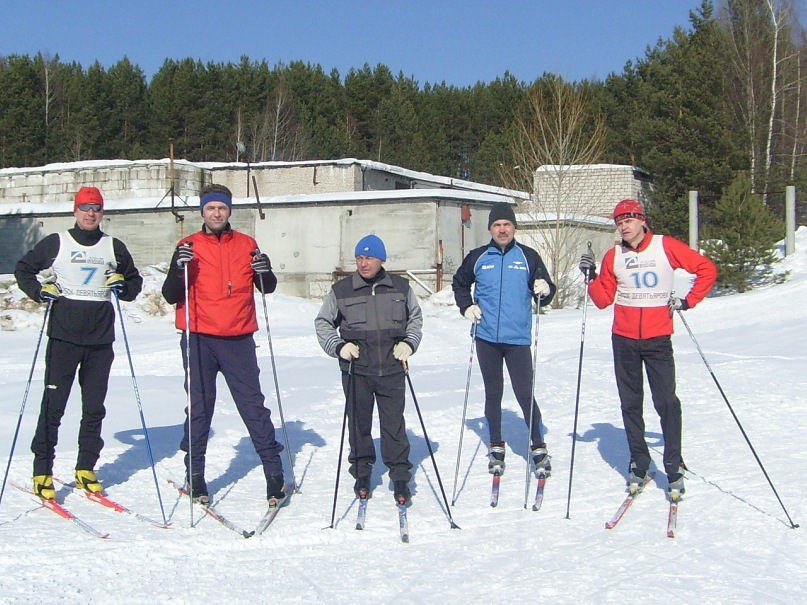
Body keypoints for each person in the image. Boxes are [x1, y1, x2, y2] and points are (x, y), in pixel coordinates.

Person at [579, 199, 717, 501]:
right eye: (619, 221)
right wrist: (589, 277)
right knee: (630, 404)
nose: (623, 226)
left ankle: (672, 464)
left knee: (666, 402)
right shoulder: (614, 255)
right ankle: (639, 462)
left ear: (642, 221)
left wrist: (688, 300)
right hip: (625, 340)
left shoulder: (665, 246)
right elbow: (604, 300)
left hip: (657, 340)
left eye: (628, 220)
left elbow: (706, 269)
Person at [14, 186, 143, 499]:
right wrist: (39, 292)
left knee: (94, 408)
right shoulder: (58, 242)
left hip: (100, 341)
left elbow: (134, 282)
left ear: (102, 212)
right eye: (85, 207)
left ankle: (86, 468)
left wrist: (123, 286)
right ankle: (42, 470)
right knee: (53, 407)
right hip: (64, 337)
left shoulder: (113, 246)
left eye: (96, 208)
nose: (90, 213)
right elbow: (24, 269)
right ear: (75, 211)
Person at [161, 183, 286, 505]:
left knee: (252, 406)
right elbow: (170, 295)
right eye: (210, 208)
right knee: (200, 409)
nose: (216, 213)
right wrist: (178, 269)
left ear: (229, 211)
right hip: (199, 337)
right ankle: (197, 476)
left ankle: (275, 474)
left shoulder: (246, 244)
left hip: (238, 337)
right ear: (202, 211)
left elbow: (266, 287)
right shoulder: (187, 244)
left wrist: (265, 270)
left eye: (222, 208)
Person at [314, 234, 423, 505]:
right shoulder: (342, 290)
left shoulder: (401, 287)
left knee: (394, 425)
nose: (363, 264)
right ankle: (362, 473)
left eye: (369, 258)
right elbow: (323, 323)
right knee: (359, 424)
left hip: (392, 368)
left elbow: (416, 320)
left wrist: (410, 343)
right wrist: (338, 347)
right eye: (359, 258)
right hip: (356, 370)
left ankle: (399, 475)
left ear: (381, 259)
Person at [452, 202, 556, 478]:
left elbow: (546, 290)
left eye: (506, 225)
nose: (502, 229)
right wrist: (466, 307)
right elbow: (459, 283)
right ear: (490, 229)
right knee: (493, 392)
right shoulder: (478, 257)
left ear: (514, 228)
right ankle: (496, 443)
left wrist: (545, 289)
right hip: (486, 337)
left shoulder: (528, 257)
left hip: (517, 338)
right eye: (497, 225)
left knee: (524, 393)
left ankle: (538, 445)